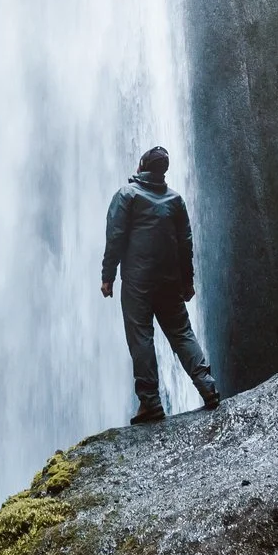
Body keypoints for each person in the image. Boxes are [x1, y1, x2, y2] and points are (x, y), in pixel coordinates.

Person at [101, 146, 222, 425]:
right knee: (181, 332)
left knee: (141, 337)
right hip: (169, 281)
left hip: (137, 283)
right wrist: (187, 282)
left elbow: (115, 238)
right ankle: (208, 386)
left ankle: (150, 404)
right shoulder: (175, 200)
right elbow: (185, 245)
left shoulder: (127, 195)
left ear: (142, 166)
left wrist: (108, 276)